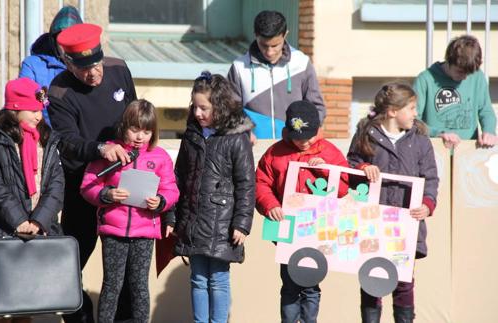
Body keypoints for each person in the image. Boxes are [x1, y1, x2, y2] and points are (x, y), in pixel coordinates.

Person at [47, 23, 137, 323]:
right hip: (82, 189)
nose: (94, 73)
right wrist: (100, 148)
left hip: (124, 187)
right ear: (68, 62)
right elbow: (67, 142)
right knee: (68, 268)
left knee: (124, 271)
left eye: (96, 64)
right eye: (85, 68)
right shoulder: (60, 91)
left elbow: (137, 117)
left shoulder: (119, 69)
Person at [80, 99, 179, 323]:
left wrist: (161, 202)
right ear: (124, 127)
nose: (139, 136)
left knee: (139, 286)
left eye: (146, 131)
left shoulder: (160, 156)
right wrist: (107, 195)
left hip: (144, 233)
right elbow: (88, 185)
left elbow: (171, 189)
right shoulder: (110, 151)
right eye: (135, 129)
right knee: (112, 285)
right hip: (113, 231)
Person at [347, 83, 439, 323]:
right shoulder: (366, 135)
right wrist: (363, 168)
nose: (415, 113)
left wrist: (428, 204)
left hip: (405, 225)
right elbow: (351, 166)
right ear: (392, 111)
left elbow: (430, 177)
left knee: (404, 283)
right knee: (372, 280)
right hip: (372, 223)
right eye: (411, 108)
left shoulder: (419, 141)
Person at [0, 77, 64, 323]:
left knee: (26, 305)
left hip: (38, 230)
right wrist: (19, 220)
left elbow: (56, 185)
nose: (39, 116)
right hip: (3, 229)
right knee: (1, 306)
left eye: (40, 110)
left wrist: (38, 221)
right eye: (33, 110)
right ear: (15, 109)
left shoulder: (47, 139)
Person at [255, 100, 349, 323]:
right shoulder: (275, 153)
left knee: (310, 284)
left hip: (316, 231)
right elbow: (260, 183)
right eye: (298, 137)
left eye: (309, 136)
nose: (304, 142)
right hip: (286, 231)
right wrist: (271, 205)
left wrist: (326, 170)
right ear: (288, 132)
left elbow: (344, 187)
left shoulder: (330, 152)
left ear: (318, 130)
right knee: (289, 284)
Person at [172, 71, 255, 323]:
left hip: (223, 224)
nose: (198, 113)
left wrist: (241, 223)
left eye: (204, 108)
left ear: (219, 106)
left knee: (218, 279)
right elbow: (179, 177)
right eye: (195, 107)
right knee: (197, 278)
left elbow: (246, 184)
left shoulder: (236, 139)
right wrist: (173, 217)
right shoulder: (191, 135)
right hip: (194, 221)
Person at [227, 10, 325, 140]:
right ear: (255, 35)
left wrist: (309, 135)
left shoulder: (301, 63)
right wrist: (243, 133)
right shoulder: (239, 67)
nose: (269, 52)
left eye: (275, 45)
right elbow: (228, 111)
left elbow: (316, 108)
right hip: (252, 148)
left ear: (285, 35)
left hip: (293, 148)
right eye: (264, 45)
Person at [413, 34, 497, 149]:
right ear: (449, 60)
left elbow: (485, 110)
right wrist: (438, 133)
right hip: (435, 150)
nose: (465, 77)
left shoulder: (478, 77)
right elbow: (413, 120)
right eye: (460, 72)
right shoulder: (425, 79)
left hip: (468, 152)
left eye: (469, 73)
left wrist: (489, 131)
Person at [19, 5, 83, 126]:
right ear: (54, 40)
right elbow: (26, 102)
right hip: (45, 134)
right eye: (63, 38)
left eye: (72, 38)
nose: (67, 44)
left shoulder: (89, 66)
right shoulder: (33, 65)